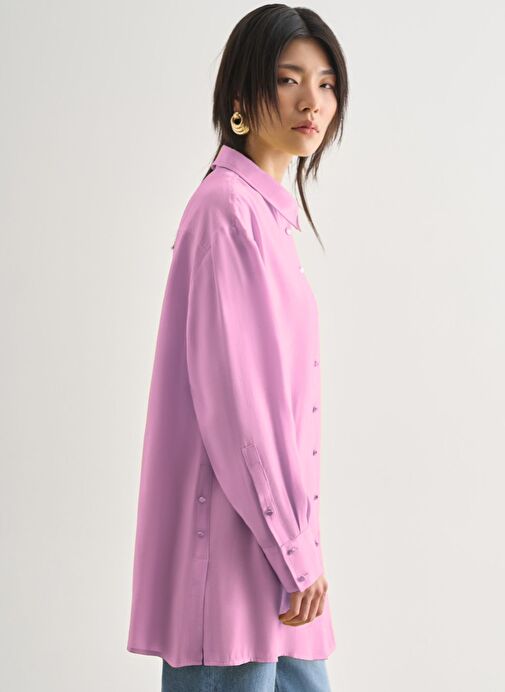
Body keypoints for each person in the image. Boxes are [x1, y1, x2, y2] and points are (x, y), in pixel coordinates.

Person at [126, 4, 349, 690]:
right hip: (230, 569)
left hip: (272, 571)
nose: (312, 101)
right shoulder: (227, 212)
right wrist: (297, 551)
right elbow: (240, 411)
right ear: (241, 97)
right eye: (287, 79)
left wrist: (298, 552)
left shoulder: (263, 217)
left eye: (326, 83)